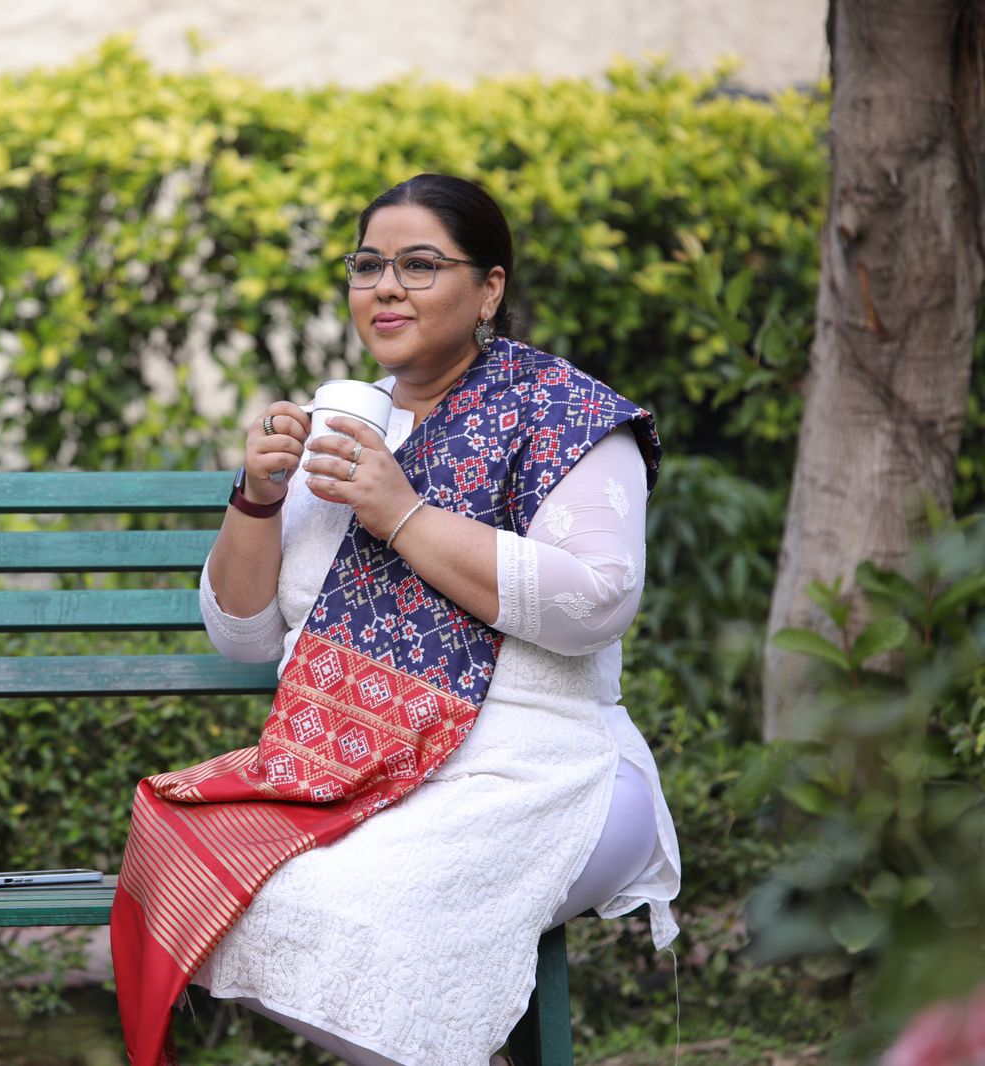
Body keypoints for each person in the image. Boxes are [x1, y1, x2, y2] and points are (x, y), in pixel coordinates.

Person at [109, 174, 682, 1066]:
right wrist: (258, 496)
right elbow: (244, 637)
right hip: (345, 770)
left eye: (420, 265)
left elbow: (595, 602)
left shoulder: (567, 417)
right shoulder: (345, 421)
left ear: (489, 287)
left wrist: (405, 514)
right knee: (189, 854)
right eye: (368, 265)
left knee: (361, 908)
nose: (385, 287)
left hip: (540, 768)